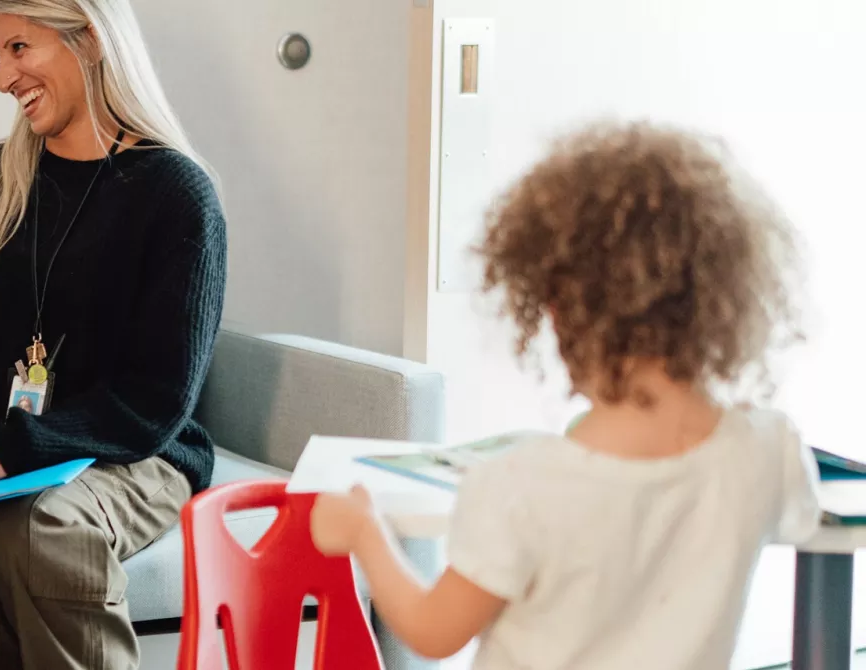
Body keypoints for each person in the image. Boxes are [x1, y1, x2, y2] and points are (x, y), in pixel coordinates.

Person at [311, 122, 822, 668]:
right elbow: (794, 511)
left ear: (555, 310)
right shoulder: (768, 451)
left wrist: (364, 532)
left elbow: (435, 632)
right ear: (723, 303)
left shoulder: (522, 485)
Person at [0, 0, 227, 667]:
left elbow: (156, 396)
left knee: (34, 530)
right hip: (1, 436)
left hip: (131, 449)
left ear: (89, 39)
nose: (4, 78)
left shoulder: (176, 194)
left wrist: (19, 446)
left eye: (19, 49)